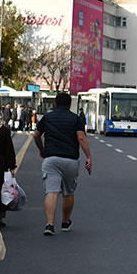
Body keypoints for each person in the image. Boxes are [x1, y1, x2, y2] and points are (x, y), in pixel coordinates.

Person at [33, 92, 93, 236]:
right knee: (68, 192)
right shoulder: (76, 118)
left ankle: (49, 224)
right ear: (69, 104)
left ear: (55, 104)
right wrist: (89, 157)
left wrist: (42, 149)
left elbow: (36, 135)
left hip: (51, 159)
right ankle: (65, 222)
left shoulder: (47, 117)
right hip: (70, 160)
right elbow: (81, 138)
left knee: (52, 192)